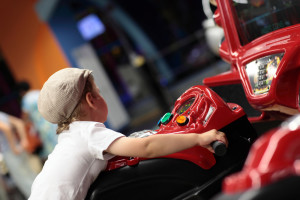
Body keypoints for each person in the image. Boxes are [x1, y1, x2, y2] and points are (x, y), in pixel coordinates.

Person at [29, 68, 228, 200]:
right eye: (100, 92)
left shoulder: (69, 137)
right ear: (91, 100)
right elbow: (146, 147)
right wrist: (199, 138)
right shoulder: (88, 132)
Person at [0, 111, 41, 198]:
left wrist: (13, 147)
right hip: (19, 148)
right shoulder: (2, 114)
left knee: (24, 180)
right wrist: (23, 140)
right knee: (31, 175)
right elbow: (19, 123)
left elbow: (6, 128)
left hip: (10, 152)